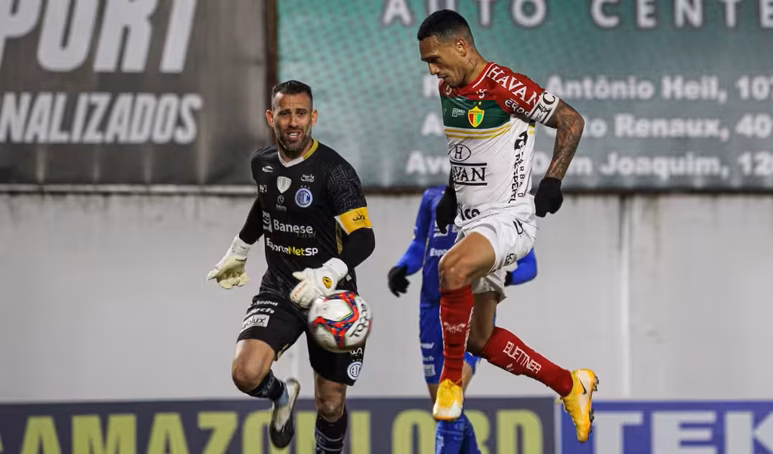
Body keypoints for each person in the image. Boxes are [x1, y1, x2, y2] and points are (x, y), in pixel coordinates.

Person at [416, 10, 598, 443]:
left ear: (462, 46)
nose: (433, 71)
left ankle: (450, 383)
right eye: (427, 63)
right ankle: (571, 385)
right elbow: (466, 149)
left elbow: (572, 121)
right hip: (472, 224)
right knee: (479, 339)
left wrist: (552, 180)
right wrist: (451, 192)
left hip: (508, 220)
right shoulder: (448, 88)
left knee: (450, 270)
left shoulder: (506, 85)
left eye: (436, 59)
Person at [207, 80, 375, 451]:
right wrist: (239, 249)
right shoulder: (262, 162)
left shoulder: (336, 172)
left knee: (330, 404)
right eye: (285, 113)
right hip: (281, 288)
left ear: (313, 117)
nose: (293, 121)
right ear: (271, 118)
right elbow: (266, 203)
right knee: (245, 373)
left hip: (331, 297)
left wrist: (328, 275)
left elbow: (364, 239)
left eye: (301, 113)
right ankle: (281, 395)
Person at [388, 185, 538, 453]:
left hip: (472, 308)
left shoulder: (498, 200)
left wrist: (506, 277)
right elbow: (419, 245)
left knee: (449, 399)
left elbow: (530, 266)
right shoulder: (432, 198)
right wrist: (402, 268)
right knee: (442, 408)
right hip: (431, 308)